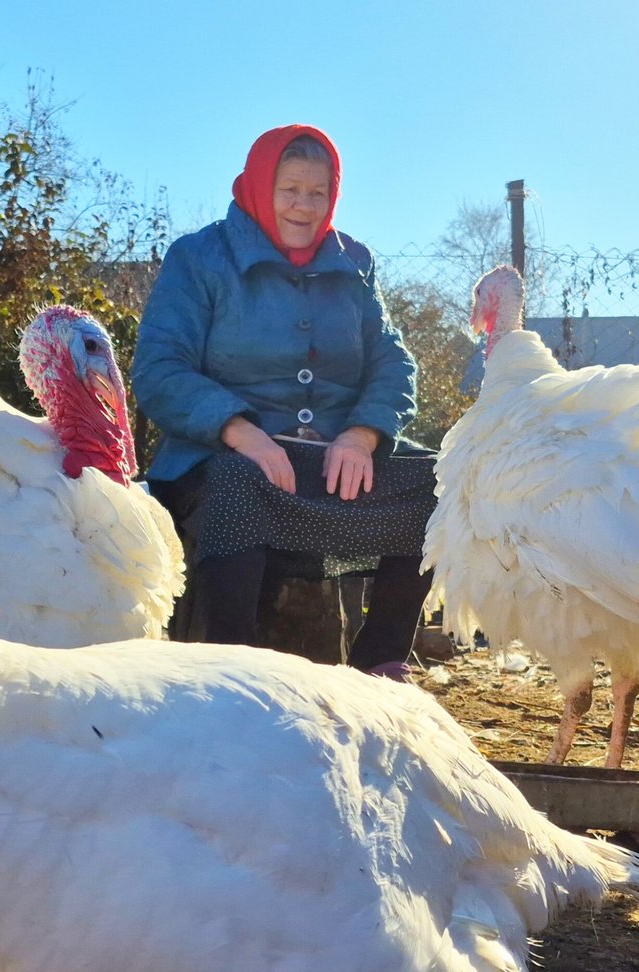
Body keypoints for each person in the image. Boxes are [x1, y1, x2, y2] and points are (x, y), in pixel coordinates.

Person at [133, 123, 437, 679]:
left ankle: (379, 665)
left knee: (443, 486)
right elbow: (160, 368)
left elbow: (393, 363)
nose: (303, 206)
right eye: (289, 189)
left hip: (329, 466)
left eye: (317, 193)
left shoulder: (355, 263)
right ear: (258, 187)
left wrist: (361, 434)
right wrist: (240, 430)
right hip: (222, 460)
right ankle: (235, 669)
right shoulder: (199, 258)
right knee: (235, 485)